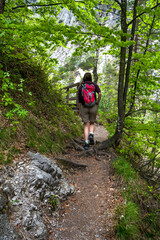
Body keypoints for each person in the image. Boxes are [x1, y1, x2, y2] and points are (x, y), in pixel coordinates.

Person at [78, 72, 101, 150]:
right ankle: (91, 134)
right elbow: (100, 94)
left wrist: (79, 109)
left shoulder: (82, 86)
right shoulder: (94, 85)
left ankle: (86, 143)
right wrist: (97, 102)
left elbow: (79, 99)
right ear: (91, 78)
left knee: (86, 125)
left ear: (84, 78)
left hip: (84, 106)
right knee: (92, 123)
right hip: (93, 106)